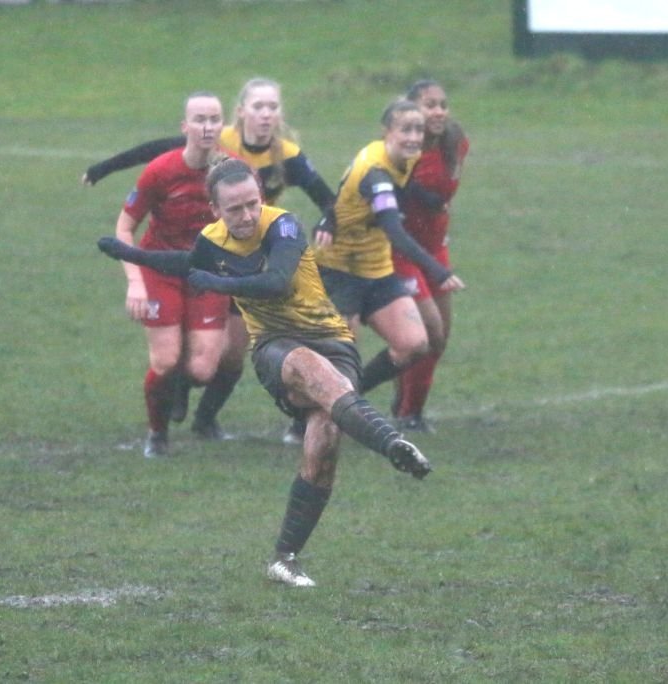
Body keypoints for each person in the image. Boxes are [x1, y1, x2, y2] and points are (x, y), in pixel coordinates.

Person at [97, 158, 431, 587]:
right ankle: (391, 444)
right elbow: (185, 263)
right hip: (275, 345)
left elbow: (274, 282)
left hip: (333, 339)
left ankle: (284, 558)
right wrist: (128, 253)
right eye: (234, 209)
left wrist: (216, 284)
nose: (247, 215)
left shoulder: (284, 226)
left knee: (324, 441)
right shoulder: (211, 241)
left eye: (252, 204)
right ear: (216, 210)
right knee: (314, 371)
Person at [83, 78, 336, 442]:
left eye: (272, 107)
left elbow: (302, 205)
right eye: (258, 106)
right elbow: (153, 153)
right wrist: (105, 168)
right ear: (240, 113)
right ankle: (162, 425)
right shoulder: (204, 152)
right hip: (182, 263)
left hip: (225, 264)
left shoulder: (281, 157)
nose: (265, 114)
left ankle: (203, 413)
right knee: (170, 358)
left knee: (218, 362)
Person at [281, 99, 465, 443]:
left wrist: (331, 216)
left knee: (415, 343)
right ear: (387, 132)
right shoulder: (376, 170)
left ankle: (345, 400)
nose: (413, 137)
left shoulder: (399, 159)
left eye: (418, 130)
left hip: (377, 270)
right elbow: (394, 229)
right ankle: (301, 416)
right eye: (405, 130)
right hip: (339, 271)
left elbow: (353, 193)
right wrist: (437, 271)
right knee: (340, 357)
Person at [110, 91, 231, 458]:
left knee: (203, 370)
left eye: (214, 119)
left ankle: (179, 387)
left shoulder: (233, 172)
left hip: (207, 274)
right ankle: (157, 433)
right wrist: (134, 283)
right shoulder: (161, 171)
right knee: (164, 361)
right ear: (185, 126)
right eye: (200, 119)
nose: (207, 126)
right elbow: (123, 229)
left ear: (222, 125)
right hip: (160, 269)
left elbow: (250, 225)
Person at [391, 80, 470, 433]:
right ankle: (408, 413)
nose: (438, 111)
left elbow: (447, 194)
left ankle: (407, 407)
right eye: (428, 105)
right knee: (427, 333)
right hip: (402, 251)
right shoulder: (399, 149)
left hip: (436, 249)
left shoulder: (456, 143)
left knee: (439, 338)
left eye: (442, 104)